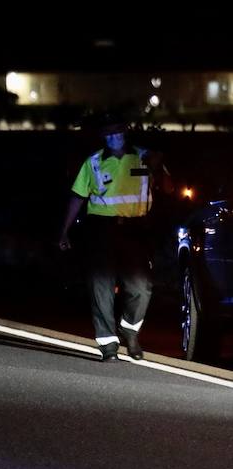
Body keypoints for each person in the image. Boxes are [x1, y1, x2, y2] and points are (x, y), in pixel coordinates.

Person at [59, 115, 171, 361]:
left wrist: (157, 166)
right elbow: (78, 197)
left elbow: (168, 187)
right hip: (101, 229)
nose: (114, 138)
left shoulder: (143, 156)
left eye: (118, 132)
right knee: (101, 285)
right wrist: (64, 231)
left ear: (125, 132)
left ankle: (129, 330)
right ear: (103, 137)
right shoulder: (95, 163)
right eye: (108, 134)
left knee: (141, 286)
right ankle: (108, 344)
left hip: (135, 230)